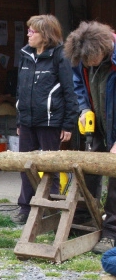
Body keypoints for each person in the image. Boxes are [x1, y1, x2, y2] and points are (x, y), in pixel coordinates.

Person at [13, 14, 79, 225]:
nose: (29, 34)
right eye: (29, 30)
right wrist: (19, 120)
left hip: (51, 122)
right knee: (26, 165)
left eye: (33, 31)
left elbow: (70, 92)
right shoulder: (25, 54)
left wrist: (68, 123)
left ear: (46, 35)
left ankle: (49, 208)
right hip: (27, 121)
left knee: (50, 167)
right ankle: (26, 208)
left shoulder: (61, 57)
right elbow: (20, 90)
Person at [64, 21, 116, 254]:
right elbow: (77, 86)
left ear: (103, 50)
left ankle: (112, 233)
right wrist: (84, 109)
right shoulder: (83, 57)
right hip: (99, 124)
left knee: (115, 177)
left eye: (89, 61)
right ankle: (84, 220)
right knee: (89, 169)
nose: (87, 65)